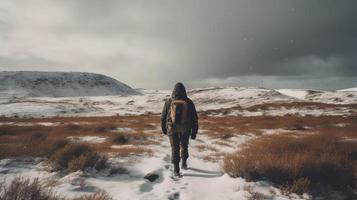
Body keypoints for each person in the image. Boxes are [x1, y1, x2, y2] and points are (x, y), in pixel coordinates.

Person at [161, 82, 199, 177]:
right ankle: (184, 163)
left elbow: (162, 117)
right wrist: (194, 133)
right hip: (185, 128)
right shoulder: (189, 102)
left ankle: (176, 170)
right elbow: (195, 119)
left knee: (175, 148)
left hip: (171, 128)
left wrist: (164, 129)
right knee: (184, 145)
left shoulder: (168, 102)